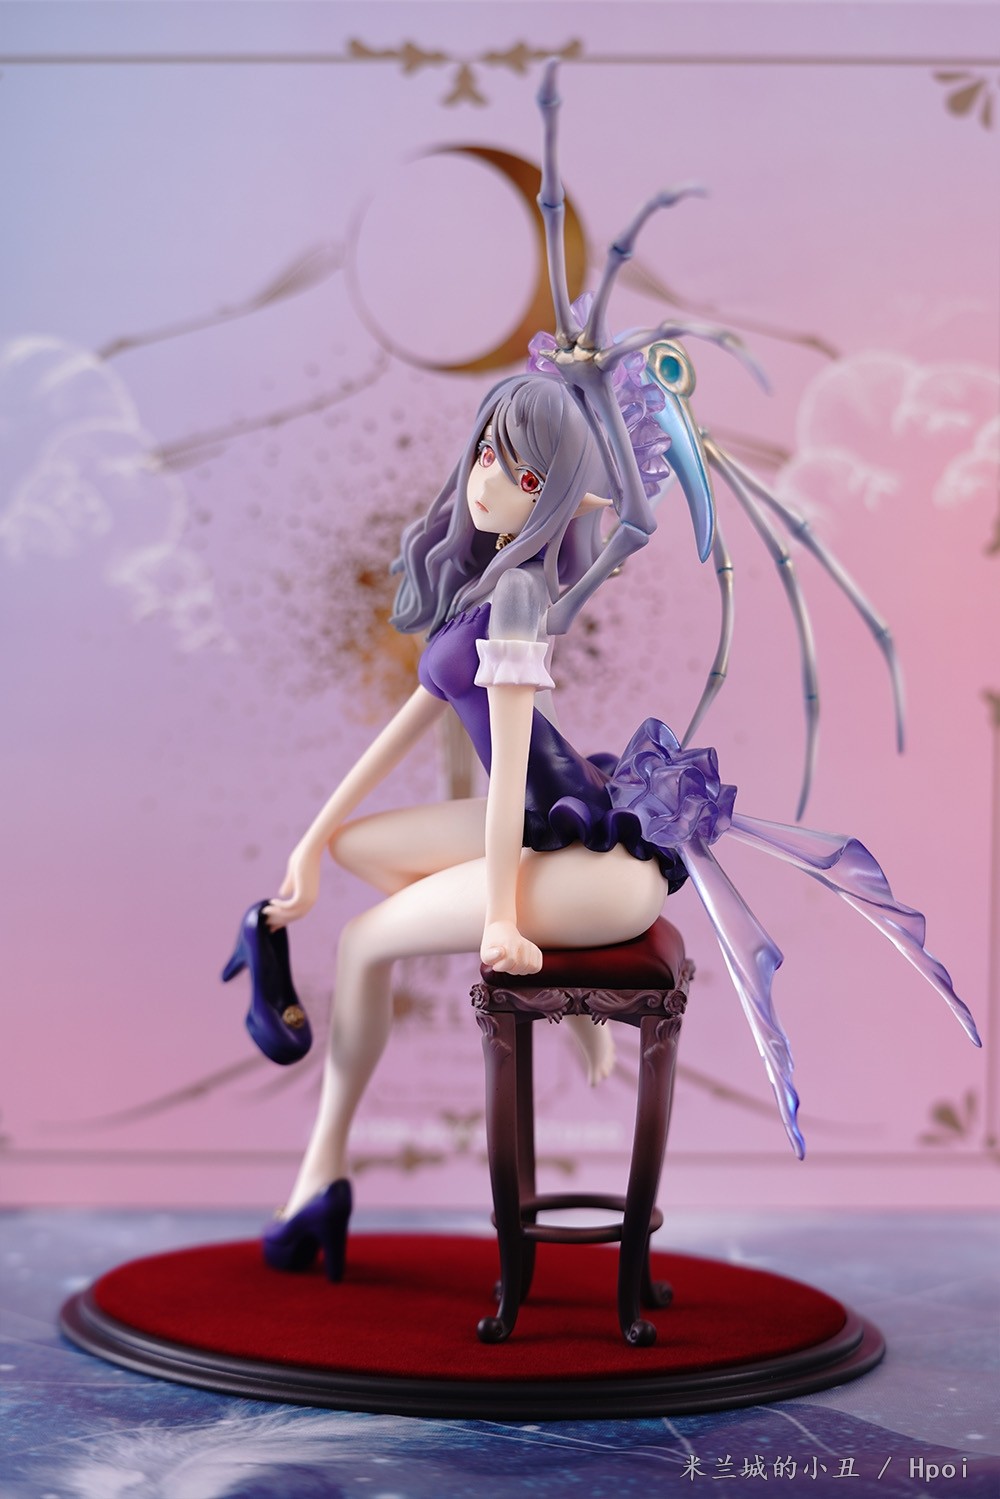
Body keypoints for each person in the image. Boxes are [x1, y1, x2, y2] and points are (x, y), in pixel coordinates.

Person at [224, 65, 979, 1282]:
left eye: (521, 475)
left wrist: (503, 918)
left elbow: (508, 772)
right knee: (360, 855)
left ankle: (319, 1181)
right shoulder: (479, 585)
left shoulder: (522, 597)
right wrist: (309, 847)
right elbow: (421, 713)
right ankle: (411, 1081)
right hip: (540, 828)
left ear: (554, 496)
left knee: (364, 945)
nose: (489, 483)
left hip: (590, 869)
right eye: (488, 453)